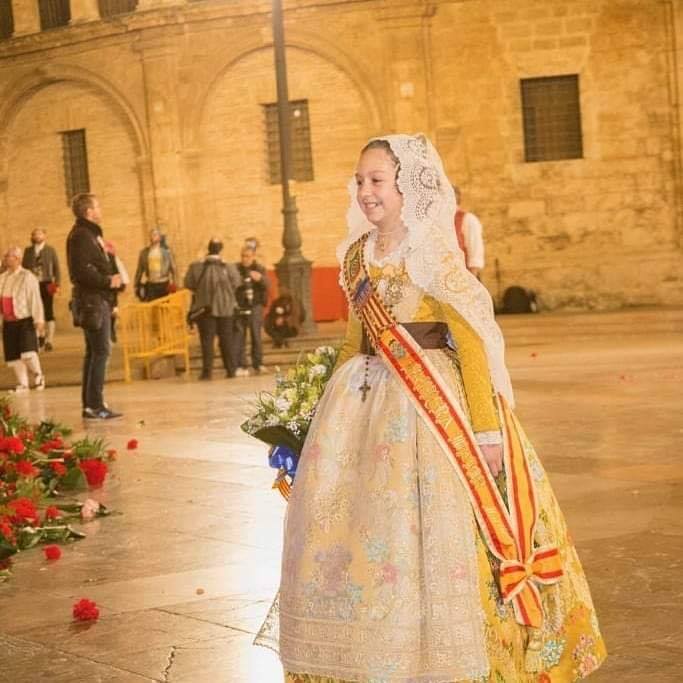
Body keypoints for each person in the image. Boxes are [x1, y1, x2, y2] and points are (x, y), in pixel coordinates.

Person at [256, 135, 606, 681]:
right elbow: (353, 340)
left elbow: (470, 340)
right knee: (360, 532)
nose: (366, 192)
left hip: (431, 409)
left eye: (377, 180)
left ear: (406, 187)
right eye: (360, 181)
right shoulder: (357, 254)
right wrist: (318, 421)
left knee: (433, 527)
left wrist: (486, 432)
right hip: (362, 405)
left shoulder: (432, 251)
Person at [66, 193, 123, 420]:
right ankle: (95, 405)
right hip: (93, 301)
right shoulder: (82, 235)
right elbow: (82, 271)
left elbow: (97, 265)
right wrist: (108, 281)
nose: (100, 210)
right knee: (101, 351)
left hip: (98, 299)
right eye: (97, 207)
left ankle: (90, 404)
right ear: (89, 212)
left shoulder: (89, 234)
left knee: (94, 352)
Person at [184, 238, 241, 380]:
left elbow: (188, 283)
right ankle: (231, 370)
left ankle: (207, 372)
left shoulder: (196, 267)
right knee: (227, 340)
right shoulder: (229, 267)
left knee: (207, 342)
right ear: (220, 249)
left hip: (205, 309)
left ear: (208, 248)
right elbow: (236, 283)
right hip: (226, 309)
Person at [0, 247, 45, 392]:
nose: (5, 259)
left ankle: (38, 376)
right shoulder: (2, 277)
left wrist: (39, 319)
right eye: (5, 256)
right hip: (8, 321)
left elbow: (35, 299)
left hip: (24, 319)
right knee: (14, 356)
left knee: (28, 353)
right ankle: (23, 383)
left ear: (18, 259)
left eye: (8, 256)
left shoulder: (27, 276)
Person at [22, 228, 61, 351]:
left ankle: (49, 340)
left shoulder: (50, 250)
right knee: (35, 311)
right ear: (32, 236)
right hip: (32, 284)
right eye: (35, 234)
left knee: (48, 311)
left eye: (40, 234)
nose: (37, 236)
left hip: (47, 283)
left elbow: (57, 268)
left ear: (44, 235)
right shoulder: (28, 251)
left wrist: (57, 284)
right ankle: (40, 336)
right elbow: (24, 269)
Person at [234, 246, 270, 376]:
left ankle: (258, 363)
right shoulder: (236, 269)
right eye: (243, 256)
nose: (245, 259)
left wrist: (260, 279)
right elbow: (232, 284)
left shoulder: (259, 269)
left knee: (256, 335)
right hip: (240, 306)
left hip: (255, 305)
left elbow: (267, 284)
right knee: (240, 336)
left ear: (253, 257)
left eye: (247, 256)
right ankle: (241, 365)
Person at [134, 227, 177, 301]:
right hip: (151, 285)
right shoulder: (144, 253)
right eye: (152, 234)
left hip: (164, 284)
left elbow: (173, 269)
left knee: (165, 304)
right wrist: (136, 285)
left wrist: (174, 284)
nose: (153, 236)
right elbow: (139, 270)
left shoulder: (166, 252)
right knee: (152, 305)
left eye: (155, 234)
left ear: (160, 237)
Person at [452, 185, 485, 278]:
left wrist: (470, 281)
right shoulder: (438, 222)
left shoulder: (468, 219)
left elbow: (475, 255)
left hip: (464, 278)